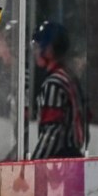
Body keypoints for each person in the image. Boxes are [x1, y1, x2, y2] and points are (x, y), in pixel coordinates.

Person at [30, 21, 88, 159]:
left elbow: (52, 132)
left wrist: (35, 164)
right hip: (73, 159)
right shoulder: (69, 78)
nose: (35, 52)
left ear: (49, 49)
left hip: (60, 163)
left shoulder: (54, 83)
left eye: (38, 47)